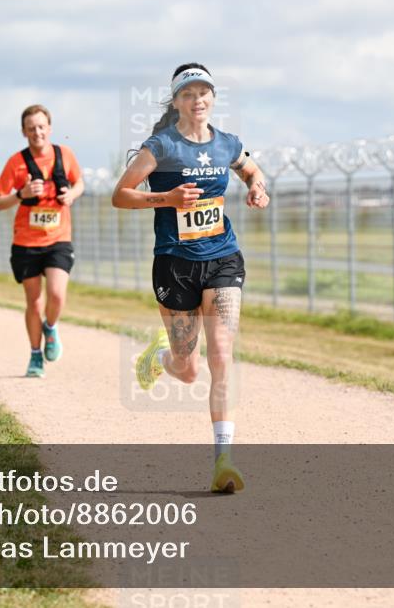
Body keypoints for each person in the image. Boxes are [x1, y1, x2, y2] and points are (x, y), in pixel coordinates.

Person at [112, 63, 269, 493]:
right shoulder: (161, 146)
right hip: (175, 263)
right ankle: (163, 359)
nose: (197, 99)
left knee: (221, 354)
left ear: (213, 98)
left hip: (222, 257)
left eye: (204, 92)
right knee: (188, 368)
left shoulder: (227, 144)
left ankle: (224, 461)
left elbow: (251, 169)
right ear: (176, 100)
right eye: (188, 93)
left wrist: (257, 187)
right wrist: (169, 197)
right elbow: (120, 195)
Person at [0, 104, 84, 378]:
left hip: (58, 239)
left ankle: (51, 327)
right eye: (31, 128)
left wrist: (72, 196)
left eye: (41, 126)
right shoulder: (16, 163)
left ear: (50, 128)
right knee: (33, 301)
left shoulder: (64, 155)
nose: (37, 132)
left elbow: (80, 183)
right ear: (24, 132)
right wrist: (20, 194)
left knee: (56, 294)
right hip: (26, 242)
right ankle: (35, 355)